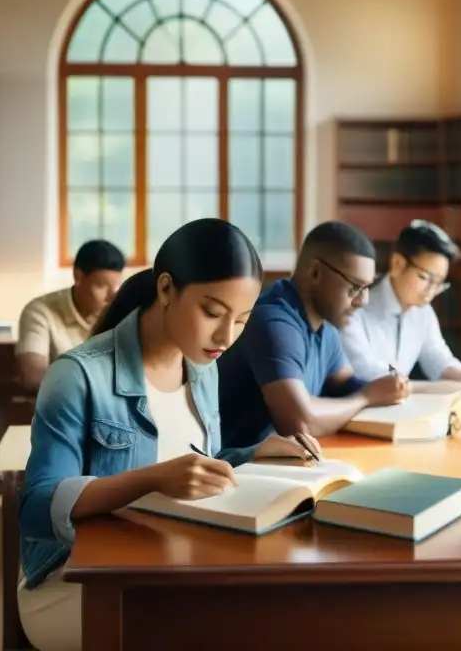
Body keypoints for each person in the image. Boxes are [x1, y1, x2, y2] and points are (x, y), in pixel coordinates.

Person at [17, 219, 319, 651]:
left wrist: (254, 453)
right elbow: (37, 507)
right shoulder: (77, 375)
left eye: (242, 320)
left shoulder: (202, 366)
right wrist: (152, 479)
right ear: (164, 289)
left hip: (170, 563)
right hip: (77, 583)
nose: (225, 336)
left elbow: (190, 460)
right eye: (212, 313)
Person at [217, 221, 409, 449]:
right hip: (238, 472)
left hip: (285, 464)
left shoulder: (325, 327)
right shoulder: (273, 322)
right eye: (355, 287)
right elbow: (300, 423)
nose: (362, 301)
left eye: (367, 287)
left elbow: (343, 384)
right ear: (315, 272)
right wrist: (367, 397)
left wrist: (384, 387)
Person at [339, 220, 461, 383]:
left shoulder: (423, 312)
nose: (431, 291)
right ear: (397, 264)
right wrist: (405, 382)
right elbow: (366, 367)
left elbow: (437, 355)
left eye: (438, 283)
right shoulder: (354, 309)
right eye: (424, 278)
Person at [15, 239, 125, 391]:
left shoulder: (122, 311)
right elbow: (33, 375)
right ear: (78, 276)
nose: (112, 296)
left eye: (117, 286)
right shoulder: (40, 311)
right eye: (101, 286)